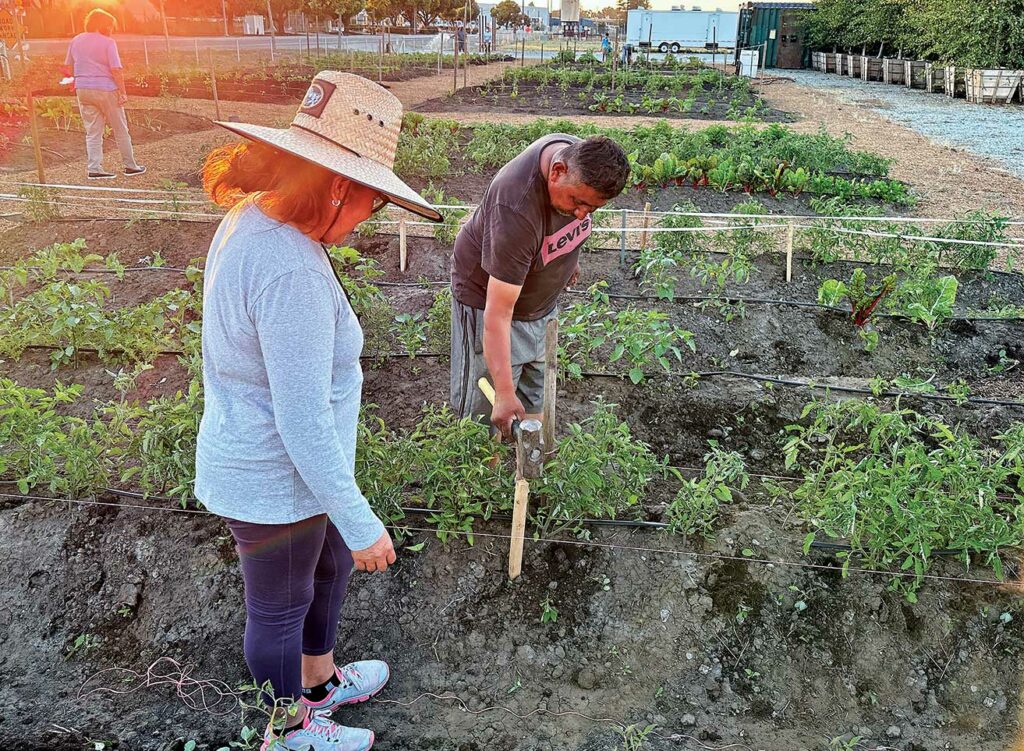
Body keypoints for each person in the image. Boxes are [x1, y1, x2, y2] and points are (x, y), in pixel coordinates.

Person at [196, 71, 440, 751]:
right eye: (371, 203)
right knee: (279, 606)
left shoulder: (257, 218)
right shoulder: (292, 272)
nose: (369, 220)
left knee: (325, 567)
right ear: (338, 186)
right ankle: (289, 730)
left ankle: (320, 680)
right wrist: (363, 522)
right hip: (276, 475)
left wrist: (342, 512)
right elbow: (300, 418)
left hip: (292, 470)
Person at [450, 134, 630, 436]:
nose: (582, 213)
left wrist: (566, 264)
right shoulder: (516, 206)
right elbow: (497, 315)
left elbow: (568, 229)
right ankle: (484, 474)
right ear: (557, 171)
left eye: (593, 209)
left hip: (540, 306)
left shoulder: (580, 160)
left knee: (536, 399)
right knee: (487, 412)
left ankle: (531, 461)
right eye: (578, 202)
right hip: (488, 302)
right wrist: (504, 392)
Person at [61, 8, 145, 180]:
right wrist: (123, 92)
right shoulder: (108, 42)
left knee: (93, 131)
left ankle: (94, 168)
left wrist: (76, 82)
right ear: (104, 24)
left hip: (83, 89)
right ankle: (130, 166)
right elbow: (116, 69)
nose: (111, 29)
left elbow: (67, 66)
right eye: (110, 25)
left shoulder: (76, 40)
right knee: (120, 129)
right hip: (106, 89)